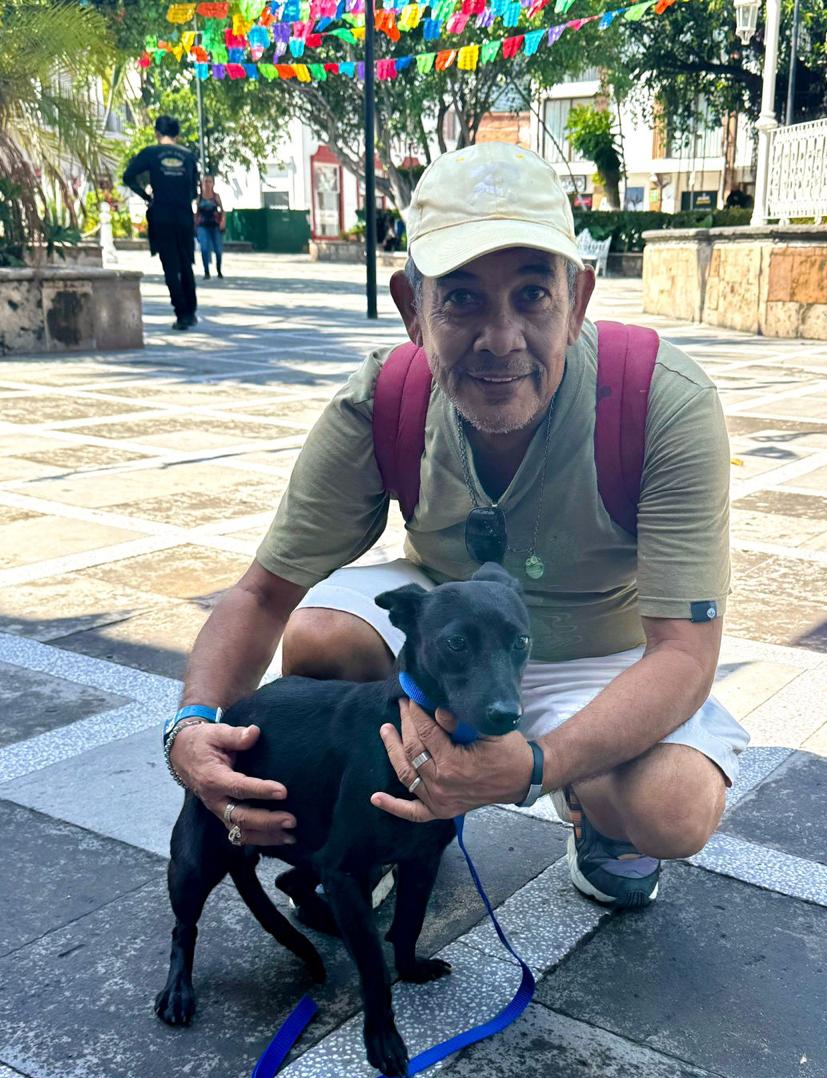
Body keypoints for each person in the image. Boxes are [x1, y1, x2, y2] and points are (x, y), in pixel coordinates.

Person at [163, 142, 748, 911]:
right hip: (450, 627)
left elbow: (684, 652)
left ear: (577, 299)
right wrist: (194, 728)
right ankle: (390, 816)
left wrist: (536, 766)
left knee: (673, 806)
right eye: (463, 299)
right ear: (413, 309)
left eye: (533, 294)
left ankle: (596, 816)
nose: (501, 339)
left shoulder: (660, 400)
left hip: (603, 651)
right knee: (319, 637)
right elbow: (263, 595)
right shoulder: (384, 400)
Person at [122, 115, 199, 332]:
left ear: (157, 133)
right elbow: (194, 190)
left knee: (170, 266)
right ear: (177, 134)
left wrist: (147, 197)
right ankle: (190, 311)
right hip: (183, 216)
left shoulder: (151, 153)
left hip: (161, 215)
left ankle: (181, 313)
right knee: (186, 264)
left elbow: (128, 176)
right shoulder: (188, 156)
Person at [195, 176, 226, 280]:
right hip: (203, 226)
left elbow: (222, 211)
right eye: (205, 181)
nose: (207, 184)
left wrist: (222, 222)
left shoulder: (216, 197)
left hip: (215, 225)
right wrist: (195, 225)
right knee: (204, 248)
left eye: (210, 181)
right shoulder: (199, 198)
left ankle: (219, 270)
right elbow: (196, 213)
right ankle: (206, 272)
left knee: (218, 250)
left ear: (213, 184)